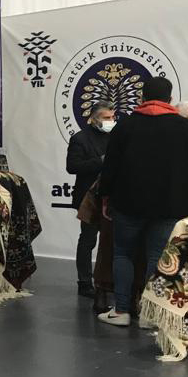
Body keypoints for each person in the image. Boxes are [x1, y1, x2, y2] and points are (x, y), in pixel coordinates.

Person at [97, 77, 188, 326]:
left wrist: (105, 196)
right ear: (170, 99)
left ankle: (121, 311)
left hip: (128, 203)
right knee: (158, 256)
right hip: (170, 206)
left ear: (142, 97)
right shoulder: (187, 129)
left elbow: (110, 166)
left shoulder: (125, 126)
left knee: (123, 254)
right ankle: (150, 315)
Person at [66, 100, 116, 298]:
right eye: (106, 117)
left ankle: (107, 280)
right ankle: (85, 282)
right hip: (89, 197)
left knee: (111, 242)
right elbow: (72, 166)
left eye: (112, 117)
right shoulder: (80, 138)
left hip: (111, 197)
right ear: (94, 119)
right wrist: (100, 162)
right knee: (88, 240)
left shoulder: (116, 137)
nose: (111, 120)